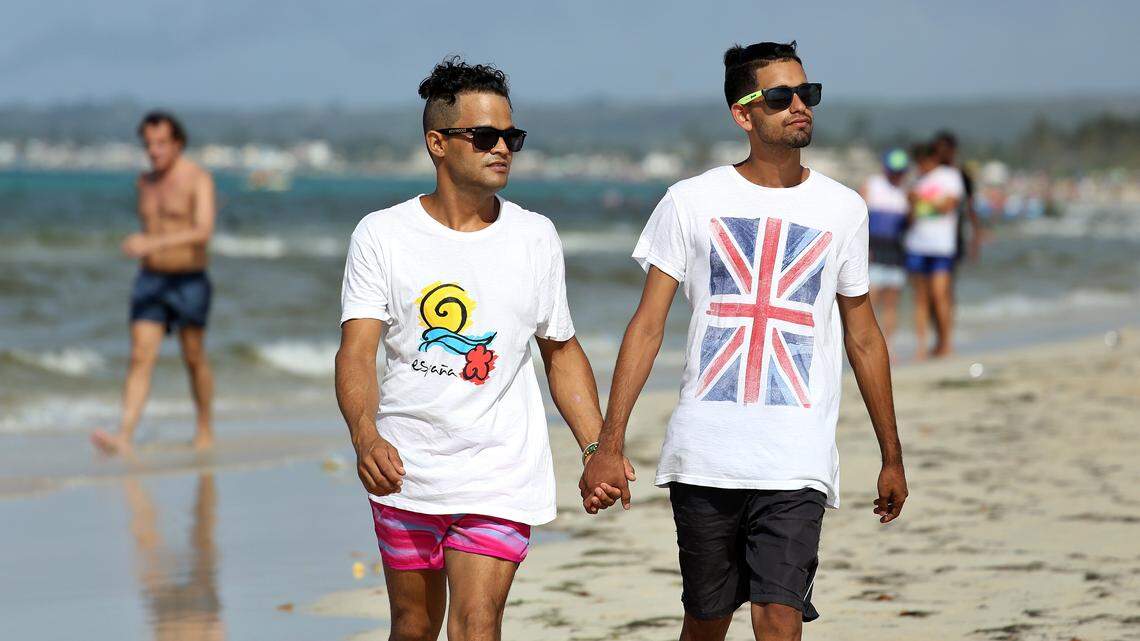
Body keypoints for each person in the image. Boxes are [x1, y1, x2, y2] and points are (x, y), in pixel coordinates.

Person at [580, 41, 908, 641]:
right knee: (705, 622)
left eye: (806, 94)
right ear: (743, 113)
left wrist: (892, 454)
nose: (799, 107)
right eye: (780, 97)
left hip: (796, 456)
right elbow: (648, 323)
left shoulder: (843, 209)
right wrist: (609, 442)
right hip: (705, 451)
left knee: (777, 617)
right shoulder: (691, 201)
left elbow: (863, 334)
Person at [334, 57, 632, 641]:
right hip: (405, 468)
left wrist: (598, 446)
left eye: (511, 137)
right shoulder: (382, 235)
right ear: (437, 143)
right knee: (414, 626)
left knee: (476, 626)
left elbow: (561, 350)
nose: (503, 148)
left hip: (502, 470)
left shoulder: (534, 236)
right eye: (486, 136)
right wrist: (365, 434)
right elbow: (356, 352)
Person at [92, 112, 217, 456]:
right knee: (140, 355)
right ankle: (125, 435)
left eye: (161, 143)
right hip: (150, 280)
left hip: (189, 279)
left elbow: (203, 231)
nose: (154, 150)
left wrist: (151, 243)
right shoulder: (143, 183)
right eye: (148, 144)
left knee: (193, 357)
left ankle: (204, 426)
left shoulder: (198, 179)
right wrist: (142, 246)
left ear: (177, 143)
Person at [904, 142, 965, 359]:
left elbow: (949, 205)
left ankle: (946, 343)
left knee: (940, 295)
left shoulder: (949, 176)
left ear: (932, 159)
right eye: (918, 163)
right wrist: (911, 204)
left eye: (924, 162)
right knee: (920, 298)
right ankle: (921, 346)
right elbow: (910, 217)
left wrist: (920, 199)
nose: (921, 167)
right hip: (916, 244)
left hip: (941, 246)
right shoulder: (915, 180)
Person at [860, 148, 910, 348]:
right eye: (893, 170)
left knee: (891, 303)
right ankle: (868, 344)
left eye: (900, 171)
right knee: (870, 302)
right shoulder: (872, 185)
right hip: (873, 250)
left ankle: (887, 346)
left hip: (896, 252)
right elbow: (858, 220)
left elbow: (909, 225)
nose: (896, 175)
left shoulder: (906, 192)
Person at [932, 130, 983, 265]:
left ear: (953, 151)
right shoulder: (928, 174)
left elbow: (971, 207)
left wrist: (976, 239)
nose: (942, 154)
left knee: (947, 277)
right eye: (938, 150)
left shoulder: (961, 176)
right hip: (927, 235)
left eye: (945, 150)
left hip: (954, 234)